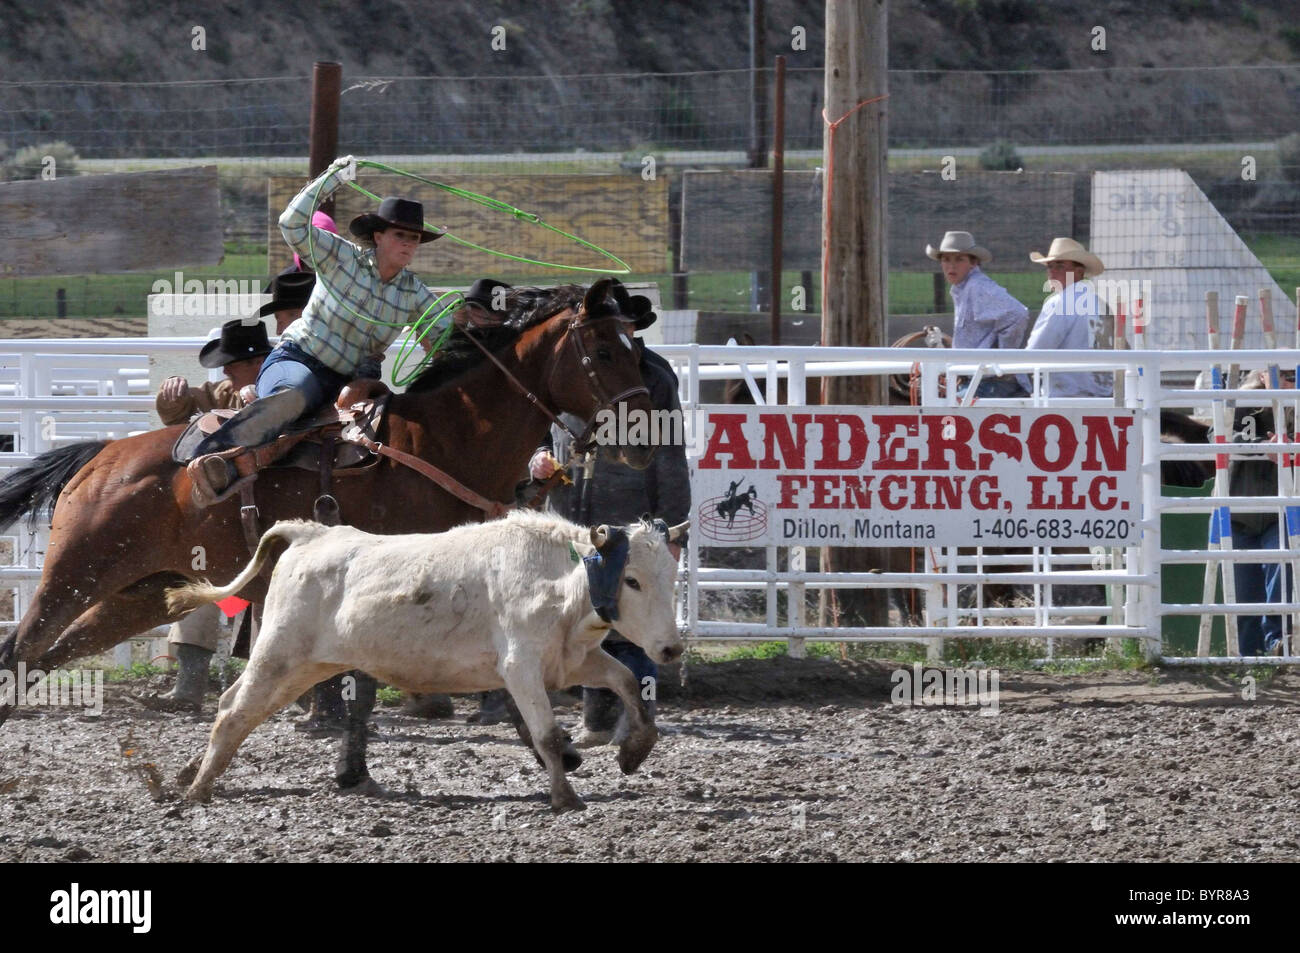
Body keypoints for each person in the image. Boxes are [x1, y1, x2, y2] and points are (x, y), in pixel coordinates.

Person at [188, 154, 447, 499]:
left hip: (354, 380)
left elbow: (444, 336)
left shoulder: (415, 293)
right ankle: (218, 457)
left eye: (414, 239)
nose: (408, 244)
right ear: (378, 235)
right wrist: (332, 177)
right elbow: (291, 223)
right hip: (299, 361)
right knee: (293, 396)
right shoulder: (342, 258)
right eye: (401, 235)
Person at [526, 286, 690, 747]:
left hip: (627, 513)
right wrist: (537, 455)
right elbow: (541, 423)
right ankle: (598, 721)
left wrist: (670, 526)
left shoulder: (653, 377)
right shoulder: (574, 365)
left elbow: (669, 453)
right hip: (573, 509)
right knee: (587, 618)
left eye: (620, 327)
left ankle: (638, 717)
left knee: (632, 618)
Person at [137, 319, 272, 711]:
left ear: (256, 361)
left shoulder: (286, 390)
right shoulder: (222, 392)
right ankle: (190, 686)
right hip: (238, 530)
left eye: (233, 362)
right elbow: (181, 415)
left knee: (250, 593)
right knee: (204, 585)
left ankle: (260, 689)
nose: (226, 369)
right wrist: (172, 399)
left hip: (269, 524)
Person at [1229, 369, 1295, 656]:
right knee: (1244, 594)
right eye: (1284, 373)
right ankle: (1250, 659)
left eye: (1295, 374)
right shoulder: (1244, 403)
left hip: (1281, 510)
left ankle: (1277, 645)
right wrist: (1261, 447)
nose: (1290, 380)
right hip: (1238, 510)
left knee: (1281, 573)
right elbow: (1214, 435)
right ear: (1264, 376)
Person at [925, 230, 1030, 398]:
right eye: (946, 259)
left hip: (991, 381)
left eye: (959, 259)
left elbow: (1017, 314)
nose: (951, 266)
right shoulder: (965, 288)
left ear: (973, 263)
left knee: (948, 414)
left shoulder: (977, 287)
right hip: (983, 379)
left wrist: (1002, 355)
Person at [1024, 237, 1112, 398]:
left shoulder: (1059, 302)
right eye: (1049, 266)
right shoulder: (1100, 304)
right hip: (1103, 396)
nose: (1052, 271)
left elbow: (1035, 352)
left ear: (1079, 272)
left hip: (1064, 396)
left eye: (1060, 266)